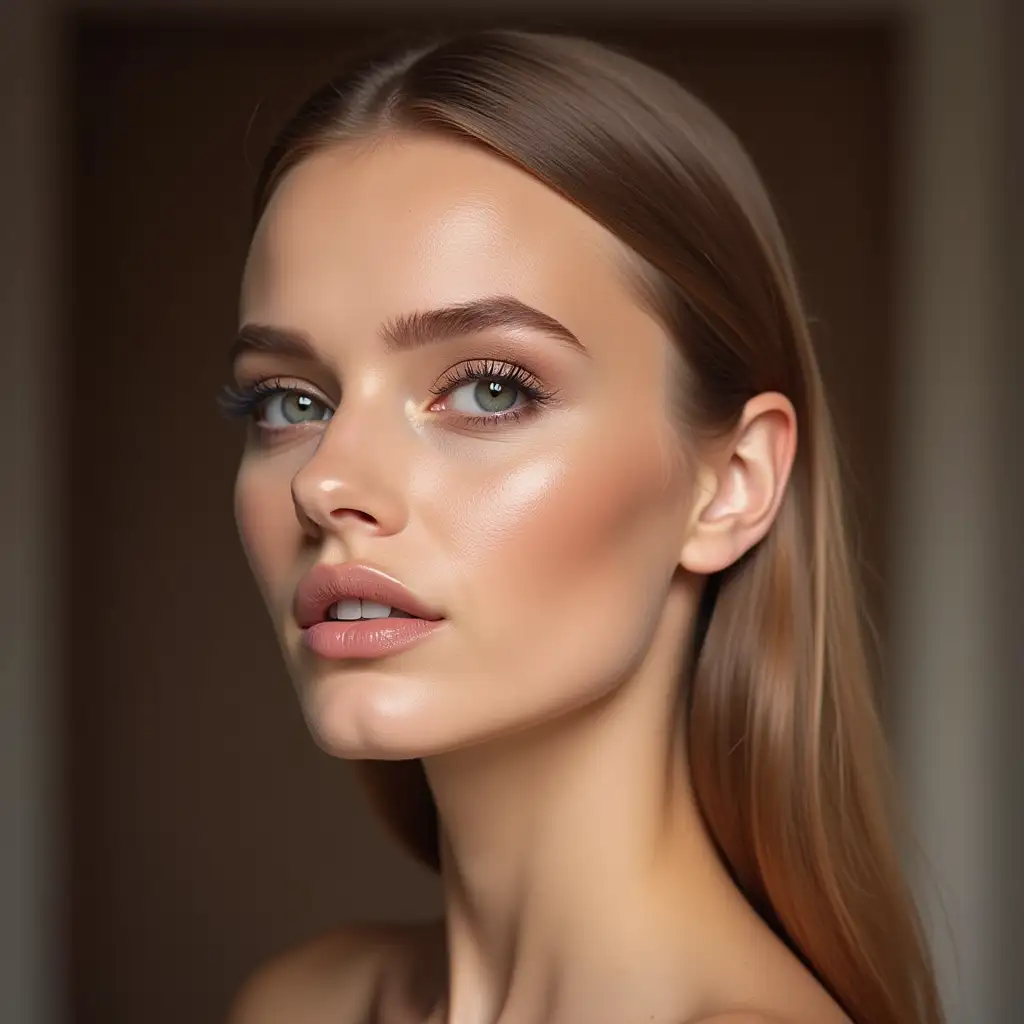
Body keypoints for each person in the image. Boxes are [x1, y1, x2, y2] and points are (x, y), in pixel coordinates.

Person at [220, 28, 942, 1024]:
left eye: (486, 387)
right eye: (289, 402)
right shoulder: (298, 1004)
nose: (326, 480)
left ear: (729, 483)